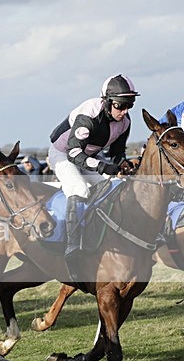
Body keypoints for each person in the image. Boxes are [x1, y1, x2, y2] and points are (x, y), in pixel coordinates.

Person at [48, 74, 139, 256]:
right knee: (79, 189)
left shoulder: (125, 123)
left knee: (110, 189)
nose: (124, 111)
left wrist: (124, 165)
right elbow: (74, 153)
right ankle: (72, 244)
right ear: (107, 101)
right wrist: (102, 167)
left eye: (129, 105)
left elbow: (117, 153)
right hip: (63, 154)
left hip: (87, 156)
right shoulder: (89, 114)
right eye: (120, 106)